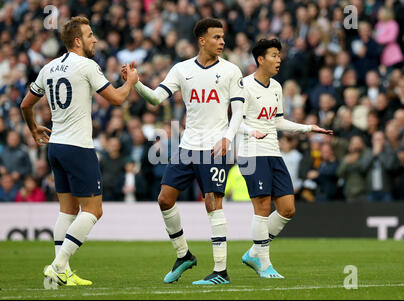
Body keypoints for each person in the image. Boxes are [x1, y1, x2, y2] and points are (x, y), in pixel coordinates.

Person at [123, 18, 244, 285]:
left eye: (223, 37)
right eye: (216, 37)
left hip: (214, 147)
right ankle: (184, 255)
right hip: (187, 147)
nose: (222, 41)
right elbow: (156, 98)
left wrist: (227, 137)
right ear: (202, 40)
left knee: (213, 204)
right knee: (165, 199)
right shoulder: (182, 69)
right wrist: (136, 84)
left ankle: (221, 272)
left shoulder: (231, 71)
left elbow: (238, 112)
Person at [20, 16, 138, 287]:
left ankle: (63, 272)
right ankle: (58, 265)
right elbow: (118, 99)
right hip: (78, 147)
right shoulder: (87, 65)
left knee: (67, 210)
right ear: (77, 41)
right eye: (90, 34)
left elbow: (25, 105)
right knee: (94, 210)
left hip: (56, 147)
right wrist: (130, 81)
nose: (94, 39)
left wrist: (34, 129)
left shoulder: (48, 68)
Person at [237, 39, 333, 278]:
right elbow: (234, 121)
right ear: (260, 59)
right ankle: (265, 264)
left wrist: (308, 128)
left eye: (279, 55)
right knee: (261, 207)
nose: (279, 59)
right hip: (251, 152)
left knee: (288, 209)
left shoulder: (277, 87)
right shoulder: (244, 86)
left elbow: (277, 121)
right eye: (273, 55)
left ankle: (253, 252)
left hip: (273, 151)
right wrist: (250, 132)